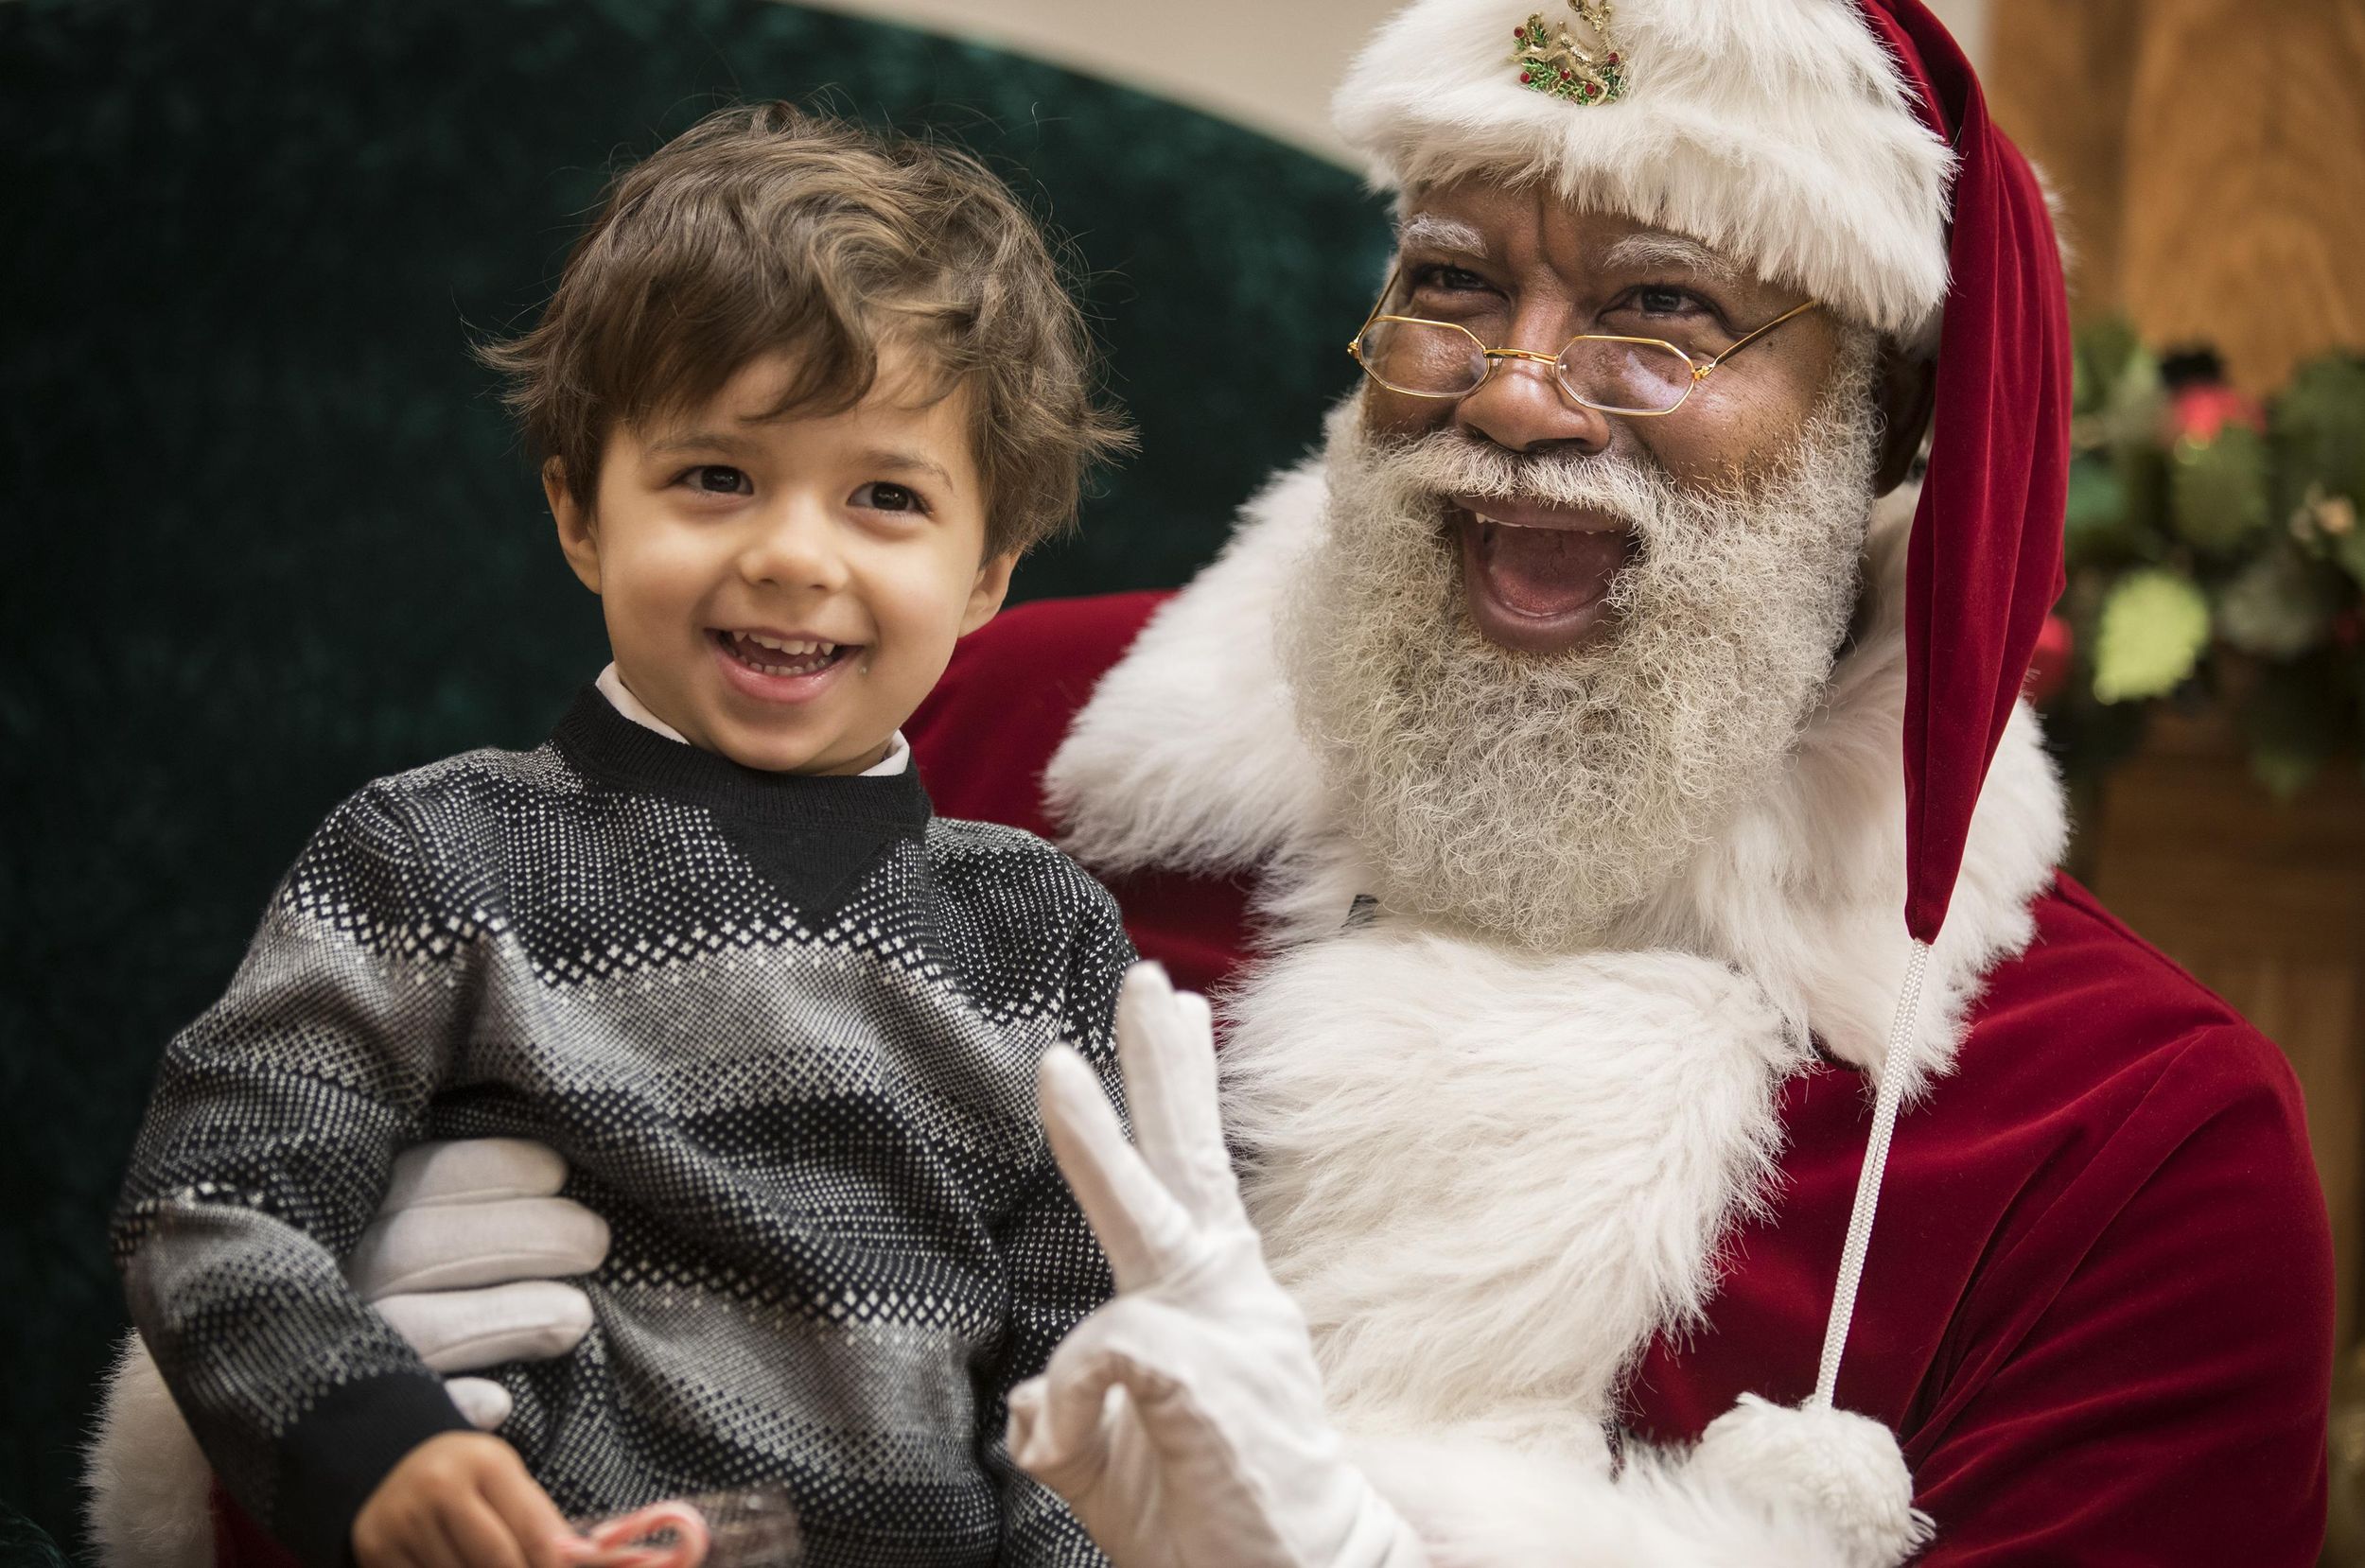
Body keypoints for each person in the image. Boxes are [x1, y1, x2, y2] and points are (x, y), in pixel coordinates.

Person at [96, 0, 2335, 1562]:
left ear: (1888, 425)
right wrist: (344, 1423)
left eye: (1666, 316)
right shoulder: (980, 748)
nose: (1522, 396)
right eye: (1449, 287)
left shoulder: (2133, 1151)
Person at [103, 103, 1134, 1568]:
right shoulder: (430, 852)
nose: (790, 552)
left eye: (886, 496)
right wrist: (371, 1445)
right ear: (580, 512)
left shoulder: (1041, 933)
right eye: (715, 475)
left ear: (988, 575)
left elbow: (1086, 1361)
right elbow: (213, 1201)